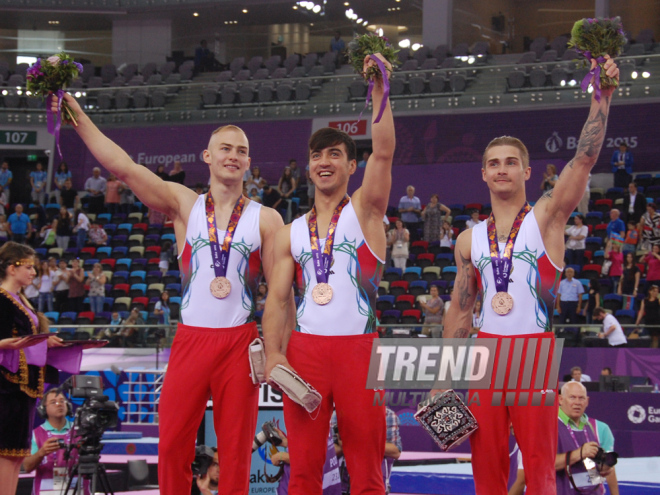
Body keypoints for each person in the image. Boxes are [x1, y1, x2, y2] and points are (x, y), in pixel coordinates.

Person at [54, 91, 285, 495]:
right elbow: (123, 167)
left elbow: (281, 296)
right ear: (207, 157)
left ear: (249, 162)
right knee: (174, 443)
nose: (233, 155)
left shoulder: (267, 219)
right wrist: (76, 114)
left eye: (242, 151)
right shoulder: (184, 205)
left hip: (240, 341)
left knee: (235, 450)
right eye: (225, 148)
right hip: (191, 339)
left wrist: (277, 349)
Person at [442, 55, 619, 495]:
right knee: (484, 459)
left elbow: (582, 160)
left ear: (527, 171)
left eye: (510, 162)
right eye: (494, 163)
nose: (502, 169)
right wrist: (443, 379)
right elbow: (460, 314)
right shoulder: (469, 240)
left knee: (539, 462)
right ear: (483, 173)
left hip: (532, 354)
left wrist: (603, 98)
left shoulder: (547, 219)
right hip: (485, 354)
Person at [263, 52, 394, 495]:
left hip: (361, 350)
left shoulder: (366, 212)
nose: (324, 161)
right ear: (308, 166)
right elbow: (279, 301)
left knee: (367, 467)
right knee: (303, 467)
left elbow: (385, 150)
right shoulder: (289, 233)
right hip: (305, 353)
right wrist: (276, 354)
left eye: (335, 154)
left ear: (351, 166)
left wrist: (379, 89)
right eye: (317, 154)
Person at [0, 242, 65, 495]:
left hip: (23, 388)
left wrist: (45, 339)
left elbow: (26, 336)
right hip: (7, 386)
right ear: (11, 268)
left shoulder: (21, 300)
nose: (33, 272)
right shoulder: (2, 300)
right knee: (5, 452)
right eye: (28, 267)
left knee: (16, 454)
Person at [555, 381, 619, 495]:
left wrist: (601, 469)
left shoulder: (589, 425)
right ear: (560, 399)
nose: (577, 402)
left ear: (587, 401)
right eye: (572, 397)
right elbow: (542, 466)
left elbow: (589, 465)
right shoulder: (549, 425)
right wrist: (579, 453)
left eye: (581, 398)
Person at [331, 407, 402, 494]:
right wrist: (346, 444)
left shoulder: (387, 414)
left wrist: (357, 441)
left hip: (374, 485)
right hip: (341, 486)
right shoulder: (337, 414)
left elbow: (395, 452)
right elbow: (329, 452)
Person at [22, 387, 75, 494]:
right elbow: (27, 467)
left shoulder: (79, 431)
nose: (59, 404)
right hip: (46, 491)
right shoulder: (35, 434)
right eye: (53, 402)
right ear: (43, 409)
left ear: (68, 406)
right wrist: (41, 453)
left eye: (62, 401)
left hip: (77, 489)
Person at [271, 427, 341, 495]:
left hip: (305, 485)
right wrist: (287, 443)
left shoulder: (310, 422)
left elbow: (309, 458)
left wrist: (281, 456)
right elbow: (310, 448)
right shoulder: (319, 422)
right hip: (325, 485)